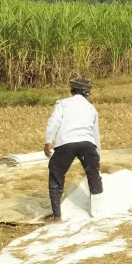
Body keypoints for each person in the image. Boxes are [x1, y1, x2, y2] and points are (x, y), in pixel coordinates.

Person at [44, 78, 103, 223]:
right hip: (88, 144)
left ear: (72, 91)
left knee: (56, 174)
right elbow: (95, 134)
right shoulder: (91, 108)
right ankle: (97, 213)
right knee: (93, 175)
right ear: (87, 93)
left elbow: (54, 121)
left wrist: (48, 141)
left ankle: (57, 217)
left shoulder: (63, 103)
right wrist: (97, 156)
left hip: (66, 143)